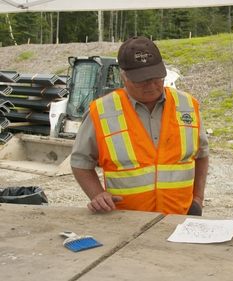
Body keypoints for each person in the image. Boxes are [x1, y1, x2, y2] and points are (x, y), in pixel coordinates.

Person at [71, 36, 209, 216]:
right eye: (142, 80)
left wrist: (198, 198)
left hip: (179, 217)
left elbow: (202, 155)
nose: (151, 85)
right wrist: (97, 195)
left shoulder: (188, 106)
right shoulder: (101, 111)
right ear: (124, 76)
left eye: (156, 77)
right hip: (125, 221)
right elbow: (80, 162)